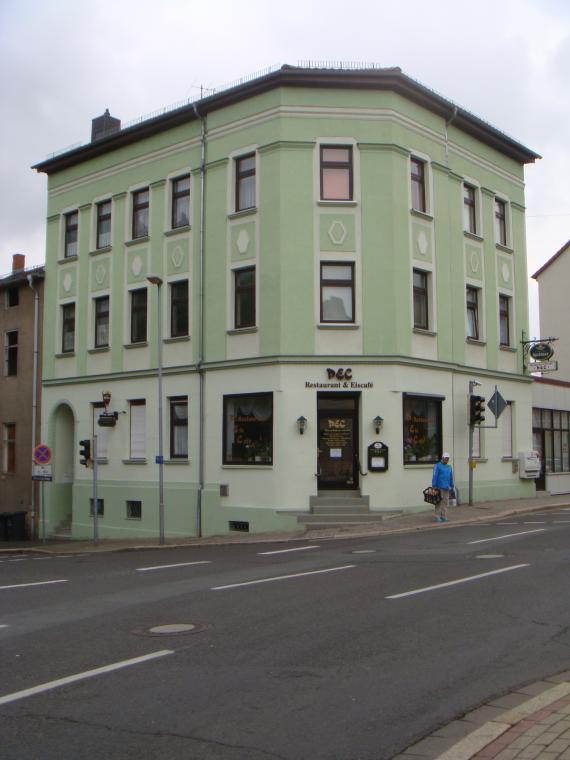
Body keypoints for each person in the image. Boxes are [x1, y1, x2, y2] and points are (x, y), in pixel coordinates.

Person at [432, 452, 454, 523]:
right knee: (438, 502)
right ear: (442, 458)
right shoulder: (437, 466)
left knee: (445, 502)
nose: (447, 460)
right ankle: (437, 516)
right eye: (446, 458)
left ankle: (444, 516)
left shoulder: (449, 467)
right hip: (439, 487)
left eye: (448, 459)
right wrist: (434, 486)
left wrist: (452, 485)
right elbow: (435, 476)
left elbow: (451, 477)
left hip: (447, 487)